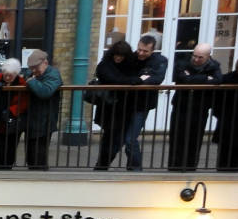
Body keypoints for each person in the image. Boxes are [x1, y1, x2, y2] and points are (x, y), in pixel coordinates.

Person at [95, 36, 166, 171]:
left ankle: (134, 168)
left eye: (145, 51)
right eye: (139, 49)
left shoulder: (158, 61)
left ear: (153, 50)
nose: (140, 53)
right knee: (114, 140)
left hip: (138, 105)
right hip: (119, 106)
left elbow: (156, 79)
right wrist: (136, 80)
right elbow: (116, 78)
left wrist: (137, 81)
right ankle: (103, 166)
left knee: (129, 140)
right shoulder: (126, 60)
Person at [168, 43, 221, 171]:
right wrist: (205, 78)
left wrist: (191, 78)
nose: (196, 59)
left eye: (200, 57)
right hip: (181, 105)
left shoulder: (214, 66)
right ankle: (174, 166)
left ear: (208, 56)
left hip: (200, 107)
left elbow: (217, 80)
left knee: (195, 138)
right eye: (195, 56)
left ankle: (190, 167)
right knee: (176, 137)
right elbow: (182, 79)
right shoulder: (183, 62)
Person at [0, 58, 28, 170]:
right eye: (6, 75)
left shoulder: (22, 83)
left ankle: (7, 167)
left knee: (10, 148)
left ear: (16, 74)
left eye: (11, 76)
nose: (8, 78)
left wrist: (11, 112)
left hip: (12, 121)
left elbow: (23, 102)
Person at [23, 50, 62, 170]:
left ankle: (39, 174)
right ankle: (33, 171)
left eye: (36, 67)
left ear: (45, 62)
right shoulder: (35, 74)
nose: (33, 71)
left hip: (45, 120)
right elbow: (27, 75)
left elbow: (45, 92)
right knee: (31, 151)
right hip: (33, 118)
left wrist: (31, 81)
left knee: (39, 152)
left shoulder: (53, 75)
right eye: (31, 68)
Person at [216, 61, 238, 171]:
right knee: (226, 151)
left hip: (226, 120)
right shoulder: (226, 79)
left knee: (225, 153)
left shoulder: (226, 79)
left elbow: (217, 104)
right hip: (228, 119)